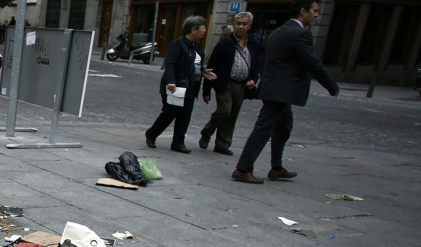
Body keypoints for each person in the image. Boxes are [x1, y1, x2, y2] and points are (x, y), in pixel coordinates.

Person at [232, 0, 339, 184]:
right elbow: (312, 62)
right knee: (263, 129)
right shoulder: (300, 34)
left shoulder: (278, 32)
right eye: (314, 11)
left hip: (274, 88)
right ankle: (243, 168)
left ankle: (277, 167)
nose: (316, 15)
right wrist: (331, 85)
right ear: (303, 11)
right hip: (281, 90)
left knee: (284, 127)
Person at [144, 16, 215, 153]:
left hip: (190, 87)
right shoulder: (179, 44)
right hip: (176, 86)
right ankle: (152, 133)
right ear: (193, 29)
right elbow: (170, 63)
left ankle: (178, 142)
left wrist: (202, 71)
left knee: (185, 115)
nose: (204, 31)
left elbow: (194, 64)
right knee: (170, 112)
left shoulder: (197, 47)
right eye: (202, 28)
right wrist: (171, 81)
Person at [198, 12, 258, 156]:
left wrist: (253, 79)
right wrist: (206, 91)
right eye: (238, 23)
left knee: (232, 115)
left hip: (241, 85)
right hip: (225, 83)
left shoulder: (253, 43)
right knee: (225, 111)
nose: (241, 27)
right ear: (234, 25)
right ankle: (207, 132)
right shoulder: (225, 43)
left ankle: (222, 144)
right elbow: (211, 67)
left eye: (244, 24)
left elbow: (256, 64)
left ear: (249, 26)